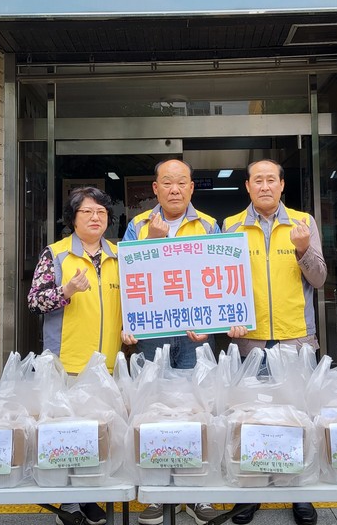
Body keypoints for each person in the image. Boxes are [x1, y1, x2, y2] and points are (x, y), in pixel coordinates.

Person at [222, 159, 327, 525]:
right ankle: (251, 493)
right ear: (247, 187)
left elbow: (319, 279)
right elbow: (221, 283)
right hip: (250, 342)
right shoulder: (230, 226)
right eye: (258, 180)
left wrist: (303, 249)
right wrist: (228, 318)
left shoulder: (302, 223)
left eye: (271, 180)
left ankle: (299, 492)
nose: (264, 186)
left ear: (282, 185)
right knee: (250, 419)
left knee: (297, 418)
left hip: (295, 339)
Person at [121, 158, 223, 525]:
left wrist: (211, 323)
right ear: (155, 188)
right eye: (167, 182)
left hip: (196, 335)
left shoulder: (209, 225)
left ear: (192, 187)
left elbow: (220, 278)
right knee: (154, 409)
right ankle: (156, 492)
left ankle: (196, 494)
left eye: (181, 182)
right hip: (153, 335)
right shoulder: (138, 225)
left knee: (198, 409)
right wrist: (153, 241)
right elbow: (128, 276)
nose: (175, 189)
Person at [27, 186, 121, 525]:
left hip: (106, 364)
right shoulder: (56, 254)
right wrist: (66, 290)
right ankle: (69, 503)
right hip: (65, 362)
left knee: (97, 432)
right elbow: (34, 301)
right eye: (88, 211)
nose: (96, 217)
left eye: (101, 212)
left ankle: (88, 496)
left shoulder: (119, 255)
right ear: (73, 218)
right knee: (67, 434)